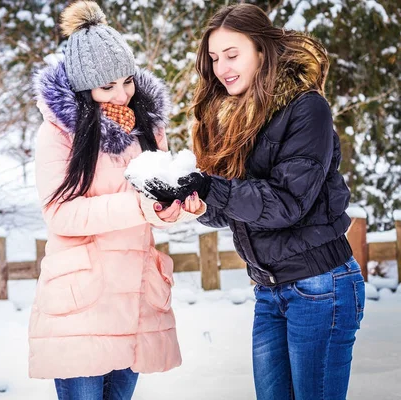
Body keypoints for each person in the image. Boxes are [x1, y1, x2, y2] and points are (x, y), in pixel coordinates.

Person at [144, 4, 365, 400]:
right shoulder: (232, 116)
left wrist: (212, 188)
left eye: (232, 54)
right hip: (268, 288)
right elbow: (236, 203)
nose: (221, 67)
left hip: (321, 287)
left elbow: (287, 202)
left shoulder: (305, 108)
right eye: (214, 59)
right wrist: (198, 203)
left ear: (262, 50)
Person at [28, 2, 203, 399]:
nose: (123, 94)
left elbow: (153, 207)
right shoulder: (57, 133)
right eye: (107, 86)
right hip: (83, 302)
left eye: (127, 81)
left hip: (136, 297)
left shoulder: (147, 127)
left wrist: (178, 206)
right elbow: (61, 215)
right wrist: (139, 206)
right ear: (82, 87)